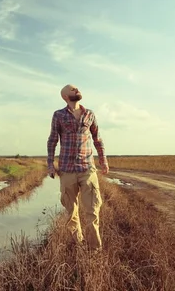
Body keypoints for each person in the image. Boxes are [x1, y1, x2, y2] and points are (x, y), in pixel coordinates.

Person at [47, 84, 109, 250]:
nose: (77, 89)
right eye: (72, 88)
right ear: (65, 96)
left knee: (93, 210)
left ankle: (95, 249)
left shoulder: (89, 114)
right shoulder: (58, 115)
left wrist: (103, 160)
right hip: (66, 170)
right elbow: (52, 140)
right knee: (71, 213)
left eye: (77, 88)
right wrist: (50, 164)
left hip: (87, 169)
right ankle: (79, 245)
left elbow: (98, 139)